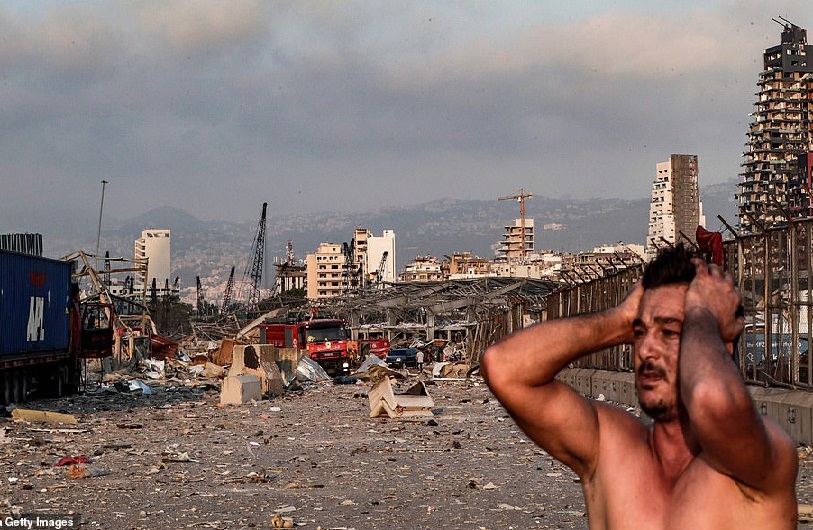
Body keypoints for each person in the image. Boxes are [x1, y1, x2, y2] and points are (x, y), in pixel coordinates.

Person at [482, 244, 798, 530]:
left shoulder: (757, 461)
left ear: (718, 345)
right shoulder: (609, 449)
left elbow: (710, 400)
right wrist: (621, 320)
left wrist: (702, 312)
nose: (646, 350)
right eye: (640, 332)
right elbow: (503, 367)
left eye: (670, 332)